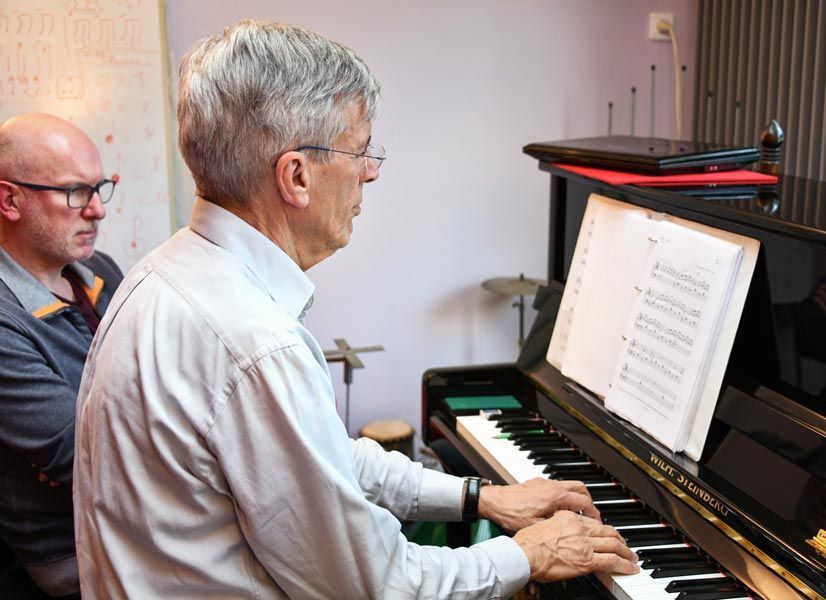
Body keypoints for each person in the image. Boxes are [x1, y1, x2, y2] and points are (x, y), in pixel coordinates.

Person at [73, 20, 639, 598]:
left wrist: (479, 497)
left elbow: (320, 460)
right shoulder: (254, 344)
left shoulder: (158, 275)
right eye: (361, 149)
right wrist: (527, 554)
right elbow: (377, 586)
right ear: (296, 176)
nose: (370, 170)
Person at [0, 113, 123, 597]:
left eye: (100, 188)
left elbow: (164, 377)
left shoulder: (99, 270)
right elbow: (83, 453)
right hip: (71, 559)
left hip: (134, 519)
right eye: (75, 192)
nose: (97, 210)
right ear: (9, 199)